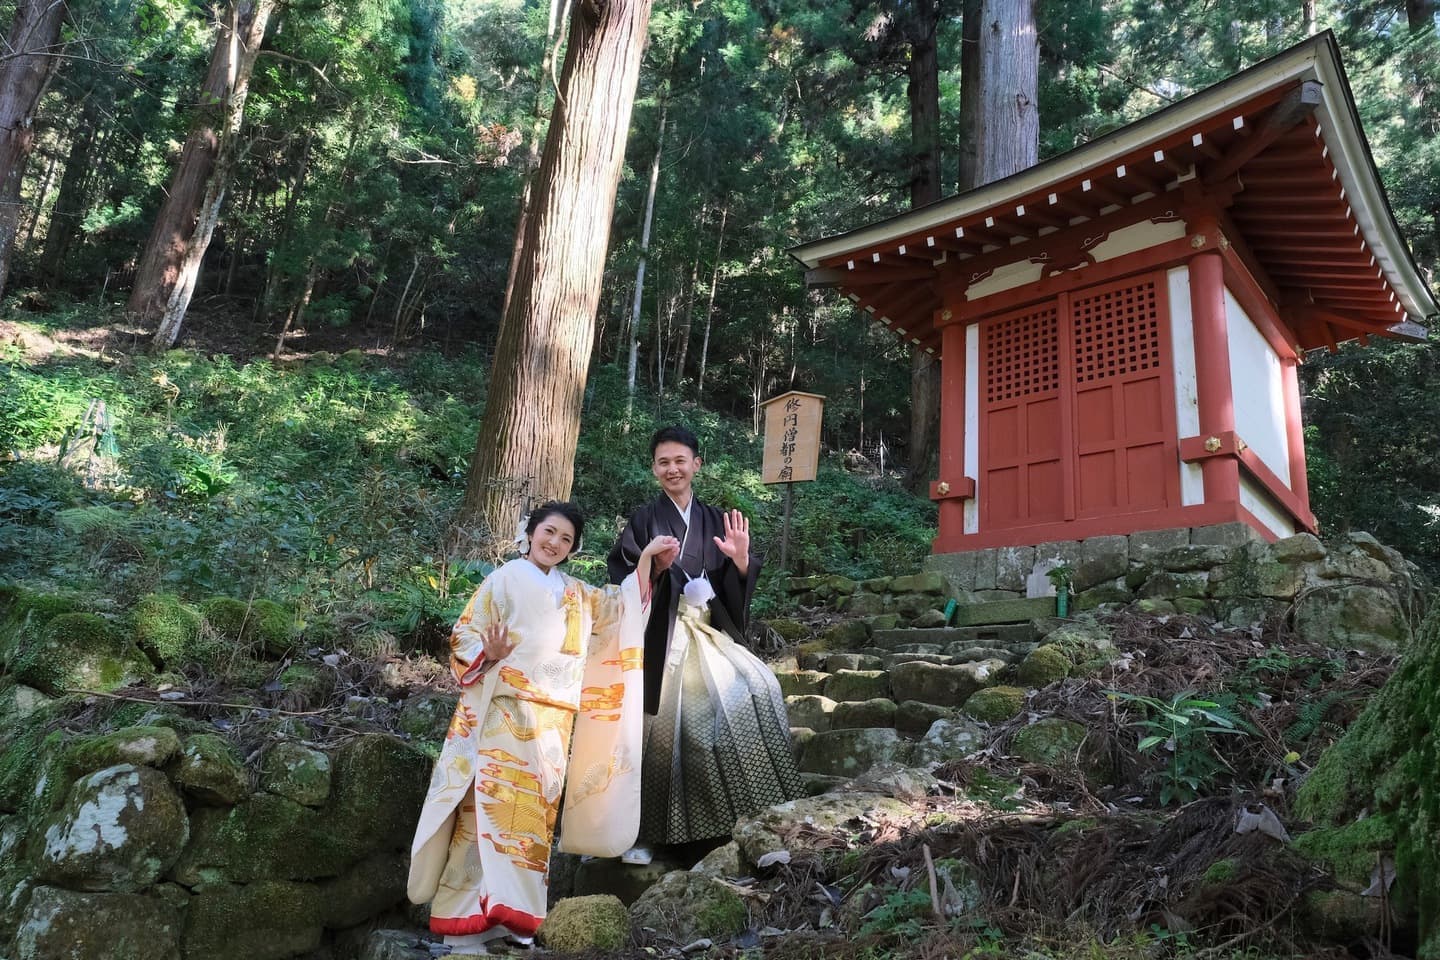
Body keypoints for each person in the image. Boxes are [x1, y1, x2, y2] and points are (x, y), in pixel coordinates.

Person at [408, 500, 678, 954]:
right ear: (530, 532)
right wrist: (488, 655)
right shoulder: (503, 579)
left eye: (566, 539)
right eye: (549, 532)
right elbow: (465, 635)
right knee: (487, 816)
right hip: (505, 713)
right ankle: (469, 921)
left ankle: (516, 919)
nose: (555, 543)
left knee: (532, 824)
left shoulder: (577, 592)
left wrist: (648, 562)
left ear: (572, 549)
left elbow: (620, 608)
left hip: (554, 724)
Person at [607, 426, 802, 863]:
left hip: (709, 629)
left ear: (697, 464)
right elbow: (621, 575)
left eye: (680, 460)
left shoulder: (717, 519)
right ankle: (643, 833)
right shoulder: (644, 520)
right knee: (658, 726)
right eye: (663, 462)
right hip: (661, 636)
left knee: (758, 687)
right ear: (654, 468)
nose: (672, 469)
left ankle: (744, 821)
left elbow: (737, 582)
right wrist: (653, 570)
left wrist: (740, 561)